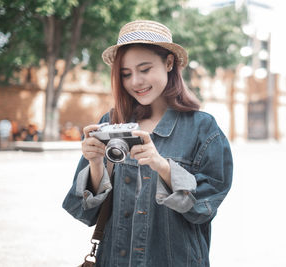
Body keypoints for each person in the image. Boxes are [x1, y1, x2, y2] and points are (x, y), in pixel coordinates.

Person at [62, 20, 233, 267]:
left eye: (145, 69)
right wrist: (97, 164)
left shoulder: (202, 127)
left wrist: (161, 166)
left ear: (169, 62)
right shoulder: (110, 122)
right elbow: (84, 212)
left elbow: (205, 207)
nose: (136, 82)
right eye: (126, 74)